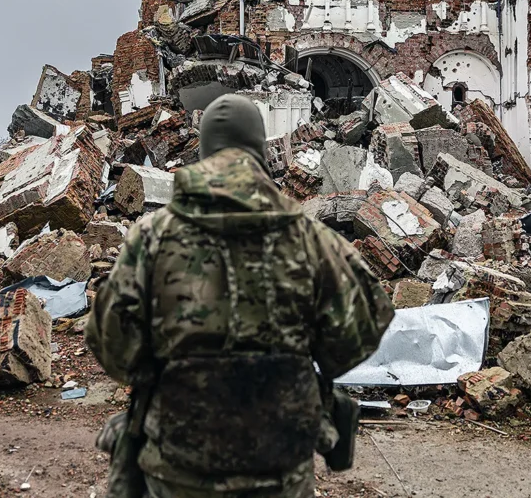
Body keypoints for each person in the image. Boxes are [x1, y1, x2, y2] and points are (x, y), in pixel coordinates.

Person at [87, 94, 394, 498]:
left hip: (178, 468)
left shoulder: (154, 236)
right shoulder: (307, 236)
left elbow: (112, 346)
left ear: (204, 150)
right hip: (280, 468)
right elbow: (364, 326)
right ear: (259, 150)